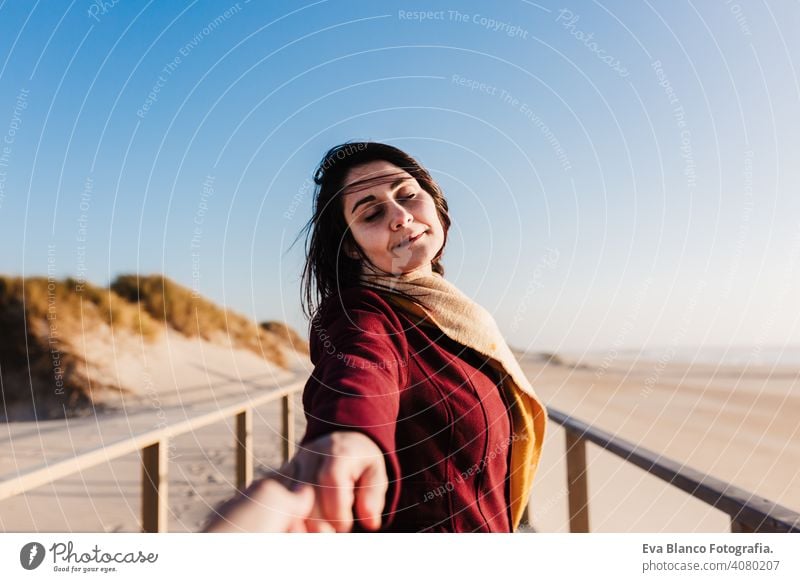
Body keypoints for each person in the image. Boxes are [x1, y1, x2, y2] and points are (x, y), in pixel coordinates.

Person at [288, 141, 548, 533]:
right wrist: (343, 443)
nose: (399, 216)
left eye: (408, 195)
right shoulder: (362, 315)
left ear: (434, 201)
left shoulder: (445, 315)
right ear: (353, 250)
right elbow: (360, 369)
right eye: (372, 213)